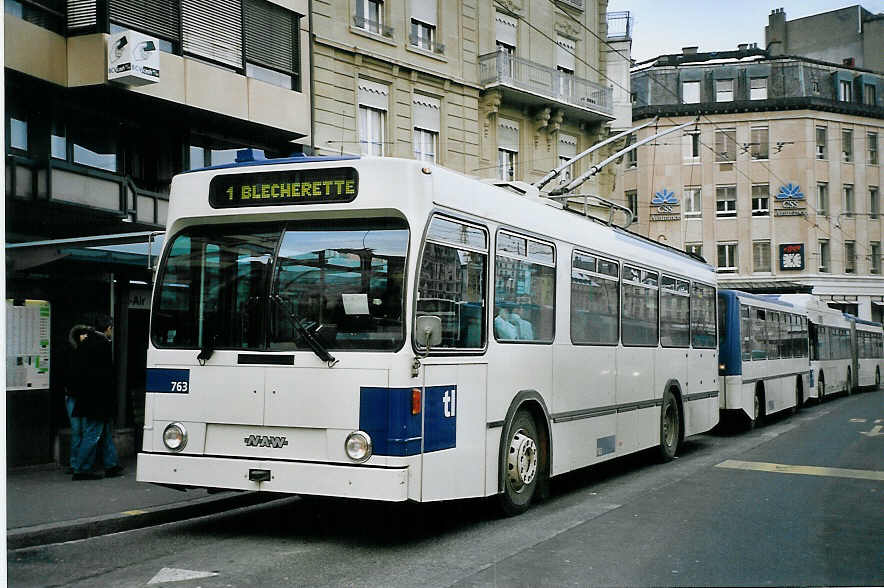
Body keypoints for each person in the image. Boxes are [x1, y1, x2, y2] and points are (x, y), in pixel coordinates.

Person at [71, 314, 123, 480]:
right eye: (112, 329)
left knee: (104, 432)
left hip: (88, 398)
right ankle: (81, 469)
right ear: (108, 328)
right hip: (98, 401)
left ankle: (111, 464)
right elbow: (105, 377)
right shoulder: (102, 345)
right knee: (93, 434)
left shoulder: (86, 342)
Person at [64, 322, 92, 474]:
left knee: (79, 431)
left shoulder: (73, 353)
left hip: (74, 396)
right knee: (80, 431)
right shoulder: (78, 354)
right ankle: (79, 463)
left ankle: (76, 463)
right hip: (78, 396)